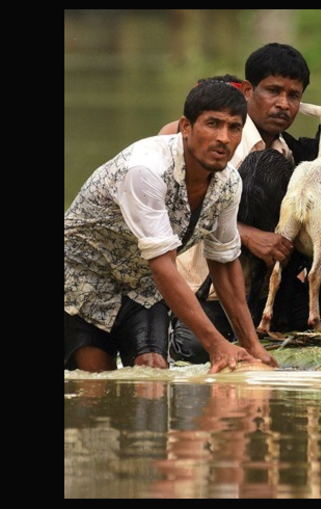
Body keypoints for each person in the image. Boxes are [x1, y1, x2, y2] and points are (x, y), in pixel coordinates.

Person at [64, 79, 277, 373]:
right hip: (83, 281)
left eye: (234, 127)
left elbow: (224, 264)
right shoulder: (145, 170)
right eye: (212, 124)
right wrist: (217, 345)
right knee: (97, 387)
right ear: (186, 127)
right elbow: (163, 266)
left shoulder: (228, 182)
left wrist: (252, 346)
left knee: (153, 373)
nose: (224, 138)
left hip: (141, 286)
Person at [164, 43, 314, 363]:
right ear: (247, 91)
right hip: (204, 289)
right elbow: (179, 207)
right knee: (191, 353)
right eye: (273, 91)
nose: (283, 104)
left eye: (294, 95)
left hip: (259, 294)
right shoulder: (216, 143)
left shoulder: (290, 155)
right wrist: (249, 235)